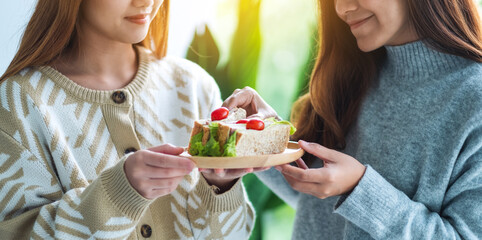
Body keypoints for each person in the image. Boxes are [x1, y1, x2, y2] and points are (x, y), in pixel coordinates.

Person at [224, 0, 482, 239]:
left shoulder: (474, 99)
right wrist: (265, 137)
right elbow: (319, 204)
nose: (342, 8)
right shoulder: (351, 75)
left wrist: (359, 187)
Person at [0, 0, 258, 239]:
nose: (145, 2)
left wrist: (220, 185)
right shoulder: (18, 102)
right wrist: (117, 195)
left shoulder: (193, 85)